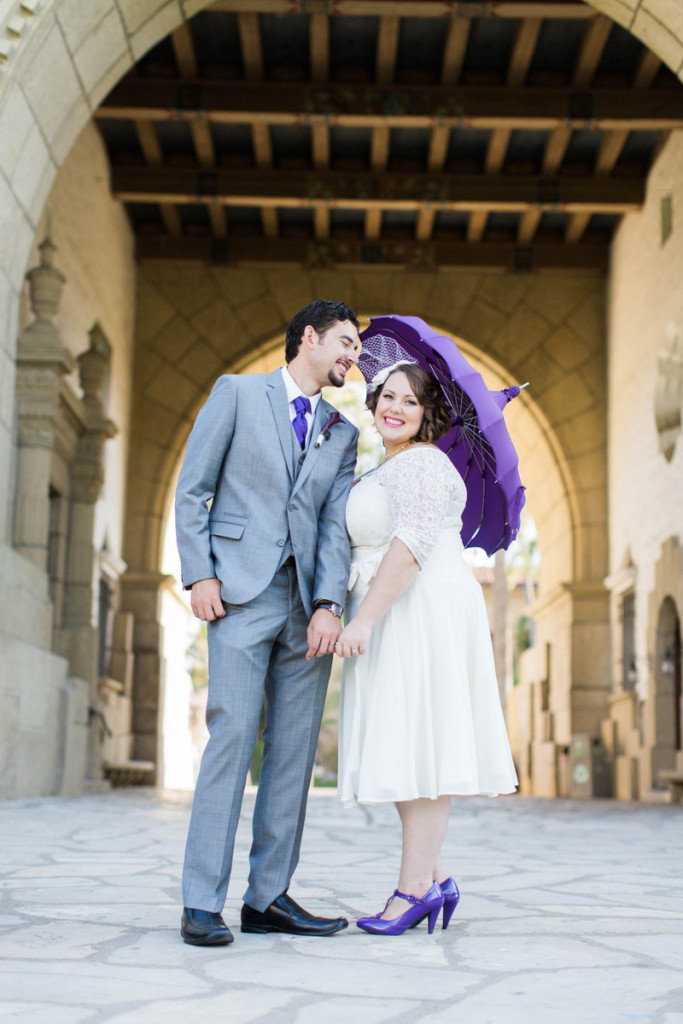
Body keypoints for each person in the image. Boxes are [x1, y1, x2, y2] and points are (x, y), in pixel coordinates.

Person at [175, 300, 360, 946]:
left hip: (305, 610)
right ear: (306, 338)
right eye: (343, 342)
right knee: (230, 738)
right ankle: (201, 899)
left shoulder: (343, 432)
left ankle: (268, 897)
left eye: (356, 350)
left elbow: (336, 527)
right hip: (239, 595)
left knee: (293, 753)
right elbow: (192, 487)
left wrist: (328, 605)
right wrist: (199, 573)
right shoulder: (236, 394)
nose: (351, 357)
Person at [336, 361, 518, 936]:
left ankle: (411, 892)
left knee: (424, 752)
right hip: (398, 608)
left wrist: (362, 620)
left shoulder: (422, 462)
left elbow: (411, 544)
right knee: (405, 746)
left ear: (428, 414)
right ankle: (435, 876)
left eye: (410, 401)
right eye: (386, 396)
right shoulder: (387, 466)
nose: (394, 407)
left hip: (419, 610)